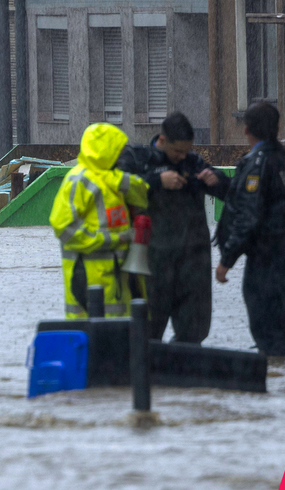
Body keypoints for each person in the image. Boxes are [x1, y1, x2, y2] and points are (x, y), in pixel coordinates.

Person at [114, 113, 230, 343]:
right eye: (177, 151)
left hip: (192, 259)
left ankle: (182, 369)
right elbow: (116, 187)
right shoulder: (138, 158)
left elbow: (229, 193)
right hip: (150, 258)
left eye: (186, 151)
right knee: (147, 326)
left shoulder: (192, 162)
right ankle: (147, 370)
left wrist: (216, 179)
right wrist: (157, 181)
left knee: (194, 327)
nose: (181, 157)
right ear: (163, 140)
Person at [214, 101, 285, 361]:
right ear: (277, 127)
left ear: (247, 130)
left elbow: (249, 216)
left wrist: (226, 260)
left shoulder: (257, 163)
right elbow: (278, 202)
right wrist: (225, 186)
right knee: (280, 324)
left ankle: (274, 376)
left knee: (264, 327)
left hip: (266, 258)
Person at [51, 122, 151, 319]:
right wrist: (112, 240)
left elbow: (144, 195)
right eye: (118, 151)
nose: (121, 157)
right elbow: (64, 227)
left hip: (118, 282)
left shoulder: (113, 180)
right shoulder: (79, 181)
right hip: (89, 284)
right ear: (106, 152)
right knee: (97, 339)